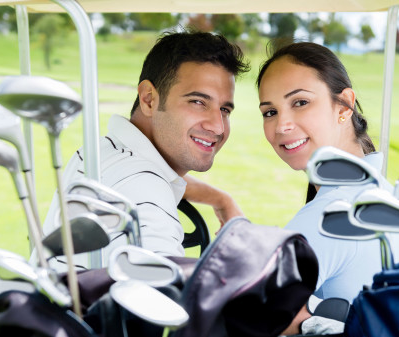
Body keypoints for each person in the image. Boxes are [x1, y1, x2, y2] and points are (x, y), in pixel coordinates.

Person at [42, 29, 250, 265]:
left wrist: (221, 200)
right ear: (149, 98)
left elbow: (147, 176)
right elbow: (163, 293)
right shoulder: (147, 190)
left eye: (225, 110)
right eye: (198, 102)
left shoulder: (103, 152)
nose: (218, 127)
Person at [256, 42, 399, 333]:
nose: (281, 125)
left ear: (343, 106)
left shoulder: (330, 214)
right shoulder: (385, 193)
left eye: (300, 102)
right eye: (270, 112)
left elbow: (255, 317)